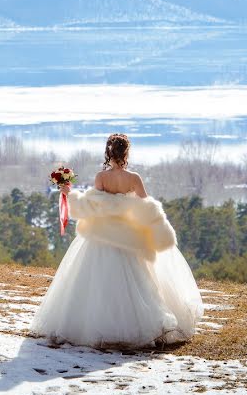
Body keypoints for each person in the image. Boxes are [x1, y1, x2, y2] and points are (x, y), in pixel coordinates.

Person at [30, 133, 203, 347]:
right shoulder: (134, 178)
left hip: (101, 235)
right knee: (137, 281)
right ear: (126, 153)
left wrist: (70, 194)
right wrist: (158, 231)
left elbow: (93, 206)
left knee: (95, 282)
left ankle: (96, 327)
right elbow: (145, 207)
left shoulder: (101, 177)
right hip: (128, 236)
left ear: (108, 153)